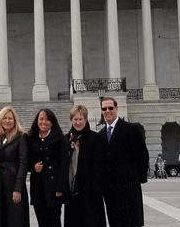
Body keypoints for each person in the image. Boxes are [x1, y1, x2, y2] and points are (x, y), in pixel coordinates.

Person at [98, 97, 149, 227]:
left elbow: (143, 155)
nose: (107, 111)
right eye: (104, 109)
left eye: (110, 108)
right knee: (114, 222)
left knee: (131, 222)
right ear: (101, 111)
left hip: (129, 188)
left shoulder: (131, 129)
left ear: (116, 109)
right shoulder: (101, 134)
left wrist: (138, 178)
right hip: (110, 191)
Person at [64, 105, 106, 227]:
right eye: (75, 119)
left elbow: (99, 165)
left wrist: (97, 189)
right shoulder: (67, 139)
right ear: (71, 120)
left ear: (86, 119)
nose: (78, 122)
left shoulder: (95, 138)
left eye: (81, 119)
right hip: (72, 192)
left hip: (90, 193)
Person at [28, 108, 69, 227]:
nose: (44, 122)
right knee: (42, 222)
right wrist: (33, 167)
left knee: (54, 222)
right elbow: (27, 159)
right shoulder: (31, 137)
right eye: (41, 119)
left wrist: (60, 188)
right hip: (37, 188)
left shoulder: (60, 139)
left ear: (52, 122)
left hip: (53, 188)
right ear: (37, 121)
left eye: (47, 120)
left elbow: (64, 165)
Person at [0, 106, 30, 227]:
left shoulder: (21, 136)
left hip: (13, 183)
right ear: (0, 120)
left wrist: (18, 189)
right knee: (0, 218)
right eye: (4, 118)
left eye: (10, 118)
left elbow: (23, 163)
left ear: (15, 120)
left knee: (15, 219)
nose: (7, 121)